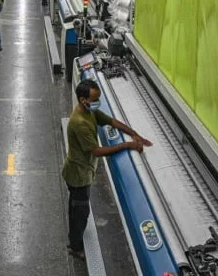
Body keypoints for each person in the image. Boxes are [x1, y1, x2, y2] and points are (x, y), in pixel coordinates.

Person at [62, 80, 153, 260]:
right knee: (80, 211)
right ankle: (75, 246)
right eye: (95, 99)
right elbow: (96, 151)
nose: (98, 103)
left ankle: (75, 234)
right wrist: (127, 145)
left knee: (76, 206)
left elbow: (111, 121)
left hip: (80, 171)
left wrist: (135, 133)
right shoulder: (79, 122)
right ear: (83, 100)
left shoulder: (90, 111)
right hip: (78, 175)